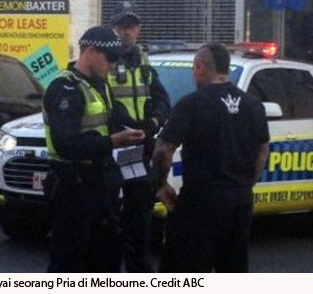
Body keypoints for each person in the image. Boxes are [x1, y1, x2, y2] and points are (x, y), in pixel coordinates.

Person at [152, 43, 270, 273]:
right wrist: (248, 182)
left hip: (200, 202)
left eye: (194, 68)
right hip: (240, 202)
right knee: (233, 268)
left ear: (200, 66)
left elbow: (163, 150)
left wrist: (160, 185)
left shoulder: (192, 104)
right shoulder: (253, 106)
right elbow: (263, 149)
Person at [42, 25, 146, 273]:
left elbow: (118, 118)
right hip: (73, 187)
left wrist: (149, 125)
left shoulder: (99, 85)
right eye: (109, 58)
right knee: (70, 261)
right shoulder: (65, 88)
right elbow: (66, 144)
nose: (112, 65)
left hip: (100, 184)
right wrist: (114, 141)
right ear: (89, 52)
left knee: (106, 257)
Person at [107, 1, 171, 272]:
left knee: (139, 213)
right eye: (123, 26)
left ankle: (138, 270)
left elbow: (162, 99)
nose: (127, 32)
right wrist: (126, 125)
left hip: (139, 147)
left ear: (139, 30)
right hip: (113, 146)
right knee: (107, 215)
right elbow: (102, 102)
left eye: (132, 26)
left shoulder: (144, 62)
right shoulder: (104, 60)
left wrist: (153, 122)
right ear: (114, 28)